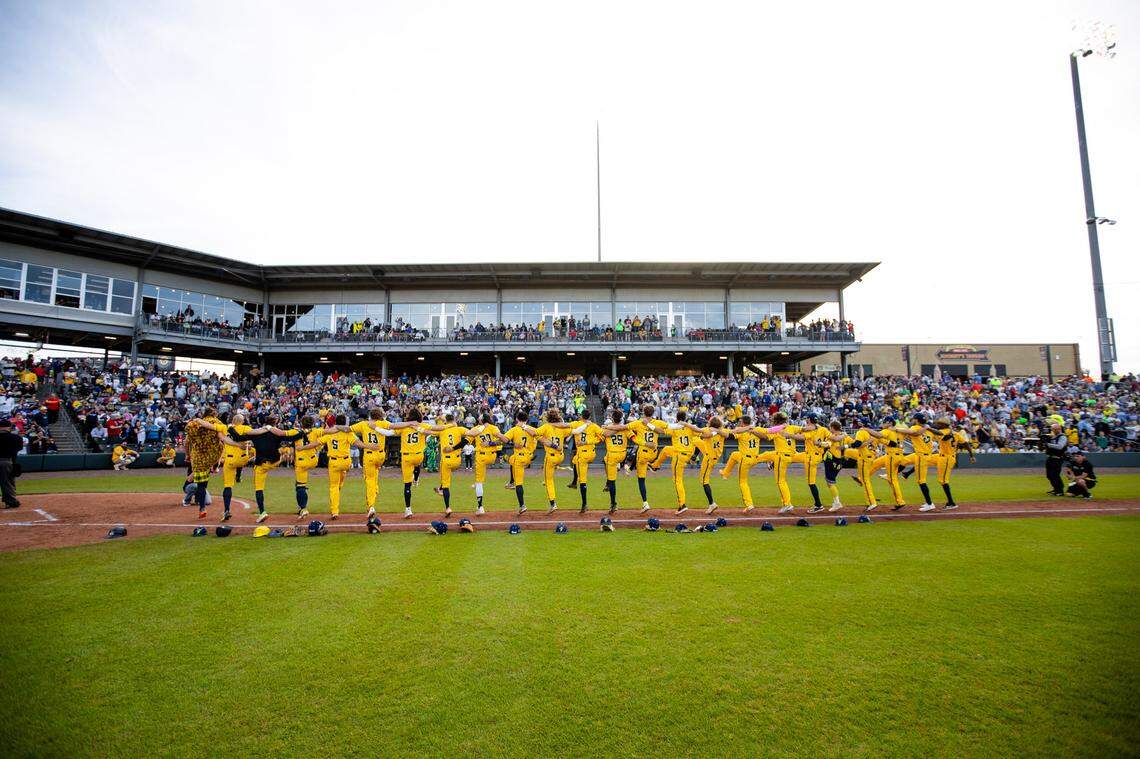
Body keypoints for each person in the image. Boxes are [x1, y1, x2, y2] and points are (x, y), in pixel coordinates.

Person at [0, 418, 22, 508]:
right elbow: (17, 449)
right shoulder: (16, 437)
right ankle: (11, 501)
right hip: (6, 461)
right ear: (9, 427)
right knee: (7, 482)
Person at [1043, 423, 1069, 496]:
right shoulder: (1054, 437)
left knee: (1055, 475)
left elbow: (1060, 447)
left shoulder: (1062, 437)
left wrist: (1048, 444)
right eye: (1052, 429)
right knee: (1049, 475)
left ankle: (1060, 490)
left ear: (1059, 429)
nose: (1053, 430)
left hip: (1057, 458)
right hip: (1050, 457)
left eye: (1054, 429)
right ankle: (1056, 488)